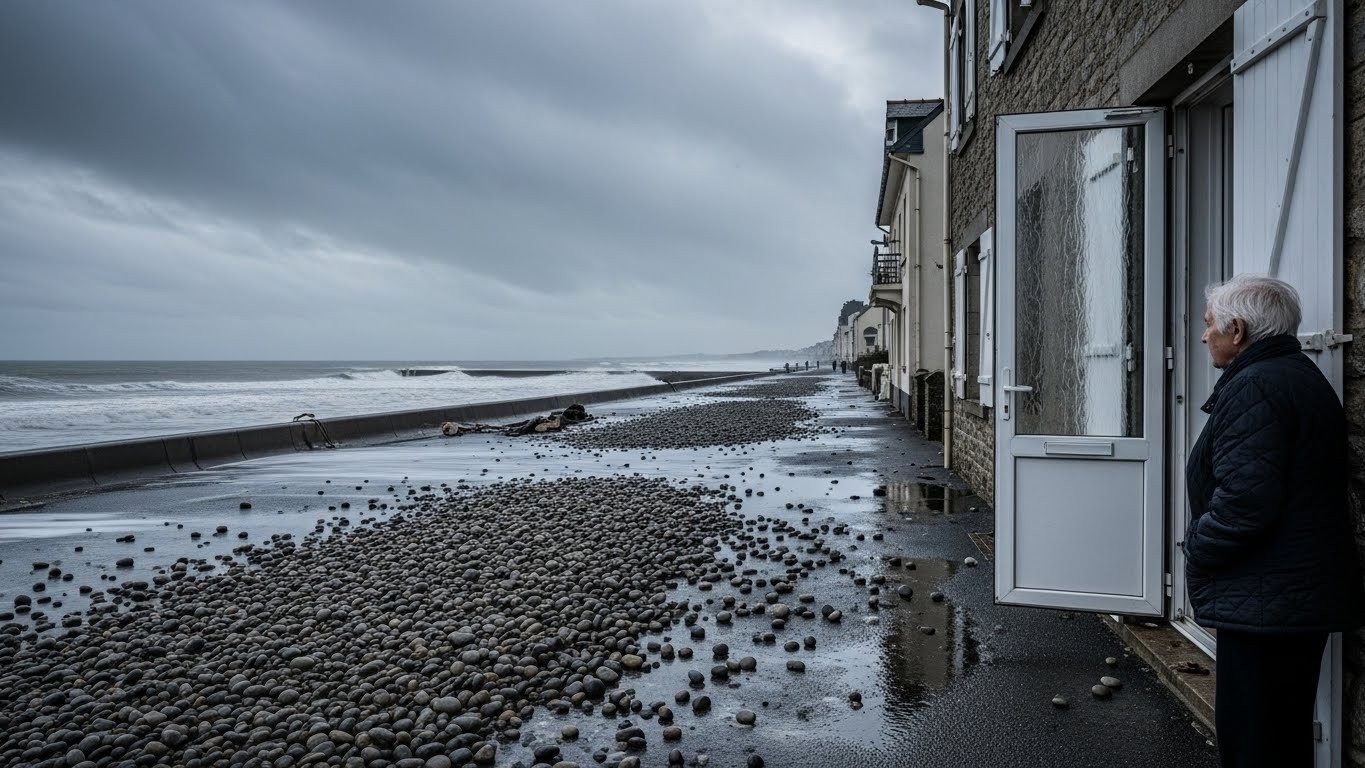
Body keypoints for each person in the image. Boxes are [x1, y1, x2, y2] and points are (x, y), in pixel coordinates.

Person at [1184, 275, 1364, 768]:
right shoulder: (1290, 374)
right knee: (1281, 737)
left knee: (1255, 743)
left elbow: (1245, 503)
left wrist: (1196, 545)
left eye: (1209, 326)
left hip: (1268, 600)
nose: (1204, 337)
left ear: (1237, 330)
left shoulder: (1258, 386)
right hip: (1286, 595)